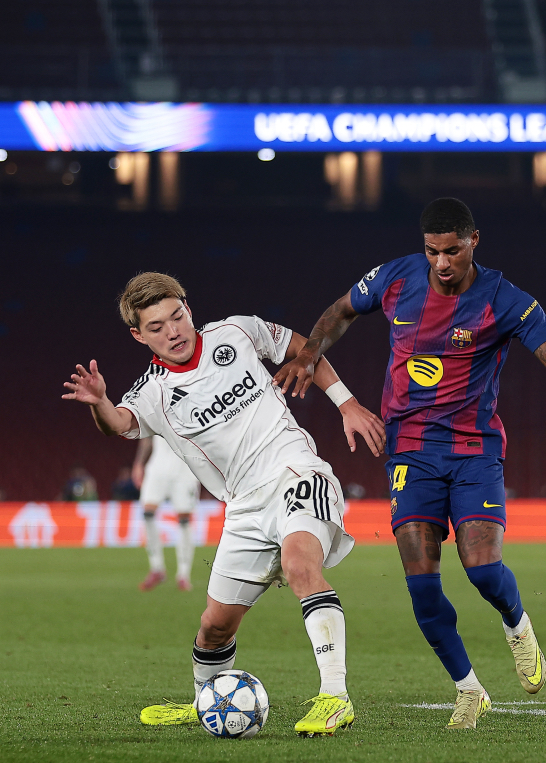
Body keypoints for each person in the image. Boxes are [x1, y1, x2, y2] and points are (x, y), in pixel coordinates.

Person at [274, 198, 546, 729]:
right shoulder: (395, 278)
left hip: (474, 449)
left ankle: (517, 625)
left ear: (475, 241)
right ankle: (469, 689)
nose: (443, 263)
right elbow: (339, 312)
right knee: (422, 585)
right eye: (433, 251)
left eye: (453, 251)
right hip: (408, 450)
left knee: (482, 568)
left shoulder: (505, 299)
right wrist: (310, 352)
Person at [62, 272, 385, 736]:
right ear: (137, 335)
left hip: (295, 472)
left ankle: (335, 696)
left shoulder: (236, 332)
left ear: (188, 309)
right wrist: (99, 402)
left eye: (177, 316)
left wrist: (346, 403)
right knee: (214, 627)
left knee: (300, 567)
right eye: (156, 327)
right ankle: (204, 701)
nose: (172, 331)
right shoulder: (153, 393)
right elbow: (117, 423)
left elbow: (303, 347)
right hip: (245, 509)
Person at [132, 436, 201, 591]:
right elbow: (147, 436)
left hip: (185, 468)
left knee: (184, 519)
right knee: (147, 513)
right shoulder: (154, 410)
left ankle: (183, 574)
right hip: (158, 466)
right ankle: (157, 568)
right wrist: (139, 463)